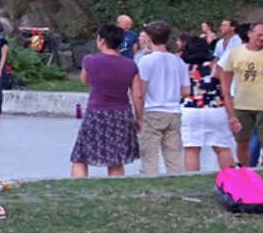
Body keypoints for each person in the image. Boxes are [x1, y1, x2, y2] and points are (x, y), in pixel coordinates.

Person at [72, 24, 141, 177]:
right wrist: (139, 117)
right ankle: (116, 192)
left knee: (80, 156)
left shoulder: (89, 60)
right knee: (115, 160)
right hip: (121, 113)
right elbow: (137, 95)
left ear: (102, 41)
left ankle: (78, 187)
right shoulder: (130, 65)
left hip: (96, 111)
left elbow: (85, 79)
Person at [220, 22, 263, 168]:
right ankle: (245, 171)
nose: (262, 38)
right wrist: (228, 101)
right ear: (250, 34)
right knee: (242, 141)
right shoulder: (236, 53)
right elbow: (225, 78)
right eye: (259, 35)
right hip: (241, 104)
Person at [134, 21, 187, 175]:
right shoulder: (178, 61)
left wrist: (138, 115)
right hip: (173, 111)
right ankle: (177, 182)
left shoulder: (146, 61)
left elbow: (139, 92)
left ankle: (151, 184)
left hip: (152, 110)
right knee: (174, 155)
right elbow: (186, 90)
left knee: (149, 155)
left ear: (149, 38)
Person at [180, 35, 233, 172]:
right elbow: (226, 91)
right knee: (222, 148)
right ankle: (233, 181)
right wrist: (232, 115)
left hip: (190, 109)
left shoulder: (182, 67)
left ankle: (193, 183)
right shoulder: (215, 67)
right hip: (215, 109)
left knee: (191, 149)